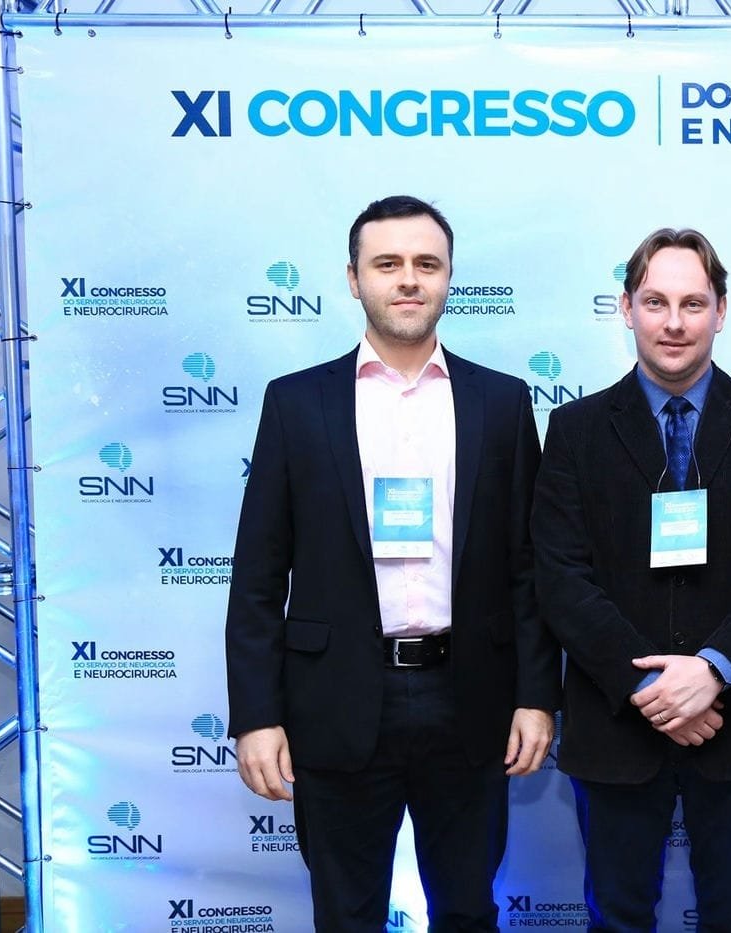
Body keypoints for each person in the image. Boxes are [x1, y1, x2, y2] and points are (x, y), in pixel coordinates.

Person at [225, 195, 560, 932]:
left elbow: (528, 568)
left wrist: (538, 697)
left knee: (468, 910)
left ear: (447, 278)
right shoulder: (295, 403)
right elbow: (257, 578)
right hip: (336, 700)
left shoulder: (502, 402)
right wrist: (256, 716)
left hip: (470, 699)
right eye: (387, 264)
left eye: (426, 264)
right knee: (346, 915)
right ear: (354, 279)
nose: (408, 279)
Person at [531, 227, 731, 932]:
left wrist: (714, 669)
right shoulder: (574, 429)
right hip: (617, 725)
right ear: (626, 308)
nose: (673, 322)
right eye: (656, 301)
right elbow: (560, 574)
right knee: (617, 917)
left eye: (693, 303)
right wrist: (653, 688)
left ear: (721, 311)